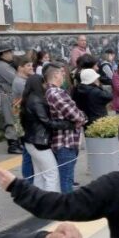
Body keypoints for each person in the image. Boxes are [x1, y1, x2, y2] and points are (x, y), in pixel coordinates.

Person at [20, 74, 68, 194]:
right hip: (40, 142)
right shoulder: (36, 101)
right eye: (43, 83)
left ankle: (39, 202)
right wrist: (66, 124)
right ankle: (52, 203)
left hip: (31, 141)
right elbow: (46, 122)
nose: (45, 85)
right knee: (52, 174)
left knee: (40, 175)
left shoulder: (28, 99)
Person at [43, 64, 87, 194]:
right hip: (65, 141)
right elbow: (76, 116)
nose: (64, 75)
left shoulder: (50, 92)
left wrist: (80, 116)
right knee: (66, 179)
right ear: (55, 74)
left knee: (65, 178)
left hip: (62, 140)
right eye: (61, 72)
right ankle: (67, 205)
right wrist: (82, 117)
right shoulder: (56, 93)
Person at [0, 46, 21, 155]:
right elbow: (15, 79)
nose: (11, 54)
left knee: (16, 118)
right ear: (3, 54)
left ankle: (17, 142)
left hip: (11, 95)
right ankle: (13, 145)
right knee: (10, 120)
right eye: (9, 52)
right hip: (7, 95)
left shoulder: (6, 64)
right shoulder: (2, 66)